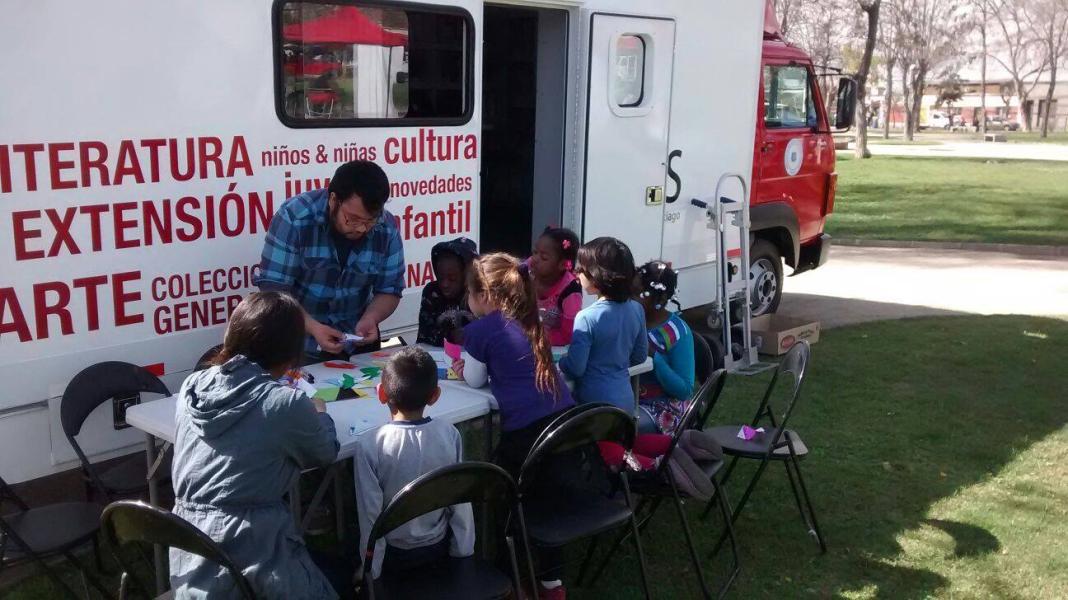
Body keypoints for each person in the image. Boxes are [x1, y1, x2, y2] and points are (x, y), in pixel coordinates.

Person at [170, 292, 344, 599]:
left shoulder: (191, 386)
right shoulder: (285, 404)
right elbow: (325, 451)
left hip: (188, 553)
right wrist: (319, 413)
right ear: (291, 351)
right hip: (253, 557)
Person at [450, 253, 580, 599]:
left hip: (526, 435)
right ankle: (553, 584)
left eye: (470, 293)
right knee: (546, 505)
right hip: (565, 428)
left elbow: (476, 379)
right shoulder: (531, 318)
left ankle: (506, 579)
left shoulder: (479, 330)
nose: (468, 301)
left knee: (500, 496)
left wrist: (464, 368)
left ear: (484, 296)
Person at [255, 160, 404, 363]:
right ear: (333, 200)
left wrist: (372, 318)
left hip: (357, 348)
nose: (362, 229)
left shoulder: (386, 227)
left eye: (370, 221)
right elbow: (274, 290)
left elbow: (390, 290)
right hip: (297, 345)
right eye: (352, 219)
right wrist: (313, 327)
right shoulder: (294, 218)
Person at [354, 347, 474, 581]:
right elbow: (460, 500)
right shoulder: (449, 434)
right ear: (435, 395)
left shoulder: (370, 445)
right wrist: (463, 554)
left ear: (380, 394)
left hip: (393, 555)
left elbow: (370, 514)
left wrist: (371, 572)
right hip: (438, 547)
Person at [558, 237, 647, 412]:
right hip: (625, 400)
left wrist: (562, 362)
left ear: (596, 276)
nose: (577, 273)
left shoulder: (586, 317)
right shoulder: (637, 309)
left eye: (581, 269)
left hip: (593, 406)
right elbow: (640, 356)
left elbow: (576, 368)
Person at [636, 261, 696, 435]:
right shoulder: (630, 321)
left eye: (637, 294)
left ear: (660, 299)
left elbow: (684, 390)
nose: (629, 299)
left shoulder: (676, 332)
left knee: (616, 427)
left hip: (664, 407)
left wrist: (654, 357)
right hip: (627, 398)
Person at [416, 237, 477, 346]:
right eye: (440, 277)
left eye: (452, 279)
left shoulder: (477, 294)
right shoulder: (432, 292)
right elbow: (424, 337)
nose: (445, 284)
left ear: (466, 275)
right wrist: (449, 336)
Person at [528, 227, 583, 346]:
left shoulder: (570, 291)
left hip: (554, 350)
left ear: (563, 264)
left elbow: (567, 335)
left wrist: (534, 336)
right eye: (535, 252)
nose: (535, 259)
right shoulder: (526, 271)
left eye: (544, 257)